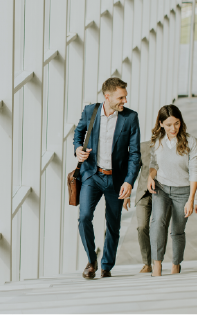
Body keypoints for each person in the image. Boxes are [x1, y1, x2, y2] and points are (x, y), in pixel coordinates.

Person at [74, 77, 141, 279]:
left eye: (125, 97)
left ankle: (106, 266)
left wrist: (129, 181)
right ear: (107, 96)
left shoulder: (130, 118)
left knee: (113, 224)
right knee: (84, 217)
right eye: (121, 98)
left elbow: (135, 154)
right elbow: (78, 133)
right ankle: (91, 260)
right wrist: (78, 149)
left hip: (116, 179)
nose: (125, 101)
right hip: (92, 175)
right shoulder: (90, 112)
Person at [148, 105, 197, 276]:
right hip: (161, 188)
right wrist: (150, 177)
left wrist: (191, 199)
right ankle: (157, 265)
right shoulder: (157, 140)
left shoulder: (191, 142)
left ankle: (176, 264)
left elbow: (194, 171)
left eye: (176, 123)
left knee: (177, 230)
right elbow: (154, 164)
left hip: (183, 190)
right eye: (169, 124)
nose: (173, 128)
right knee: (157, 223)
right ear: (161, 123)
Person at [134, 140, 170, 273]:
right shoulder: (143, 147)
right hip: (143, 193)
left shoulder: (171, 148)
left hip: (163, 193)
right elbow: (133, 169)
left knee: (160, 227)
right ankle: (147, 262)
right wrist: (127, 195)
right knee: (142, 226)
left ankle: (156, 261)